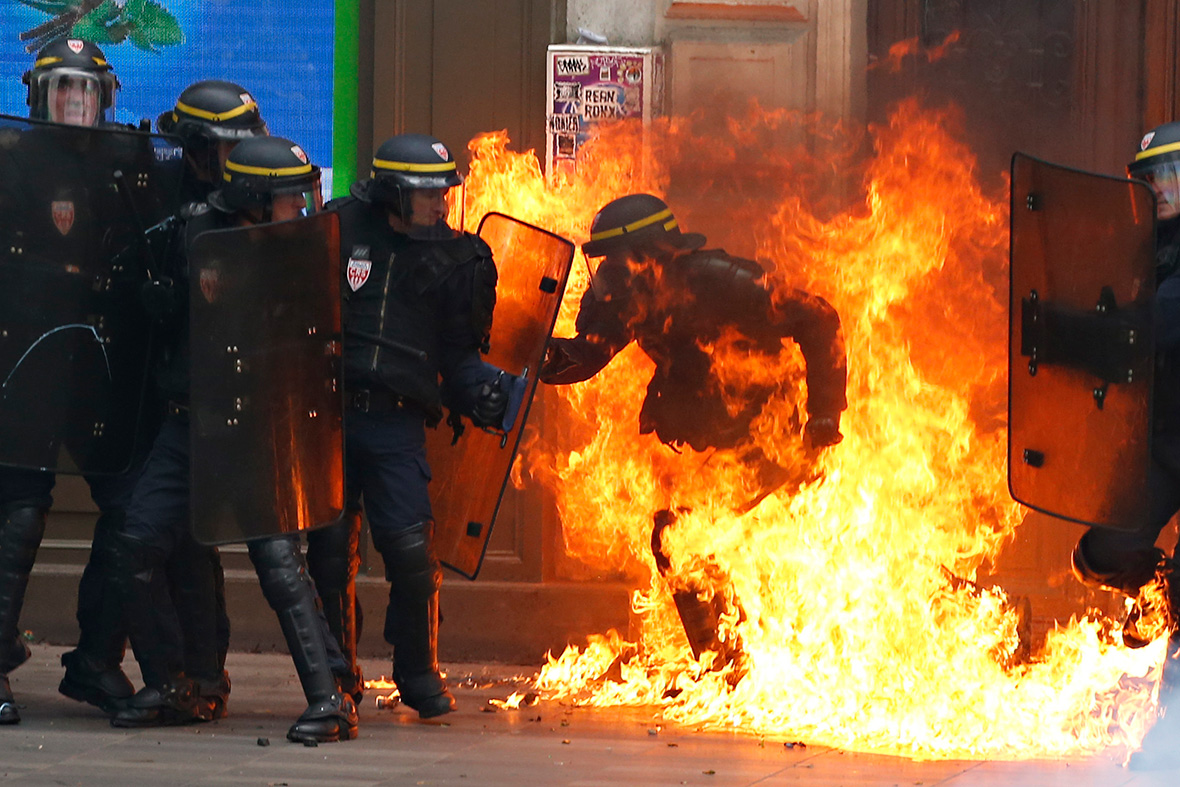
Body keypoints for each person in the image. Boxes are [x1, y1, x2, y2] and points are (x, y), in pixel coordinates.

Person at [107, 136, 358, 743]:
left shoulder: (299, 247)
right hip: (191, 418)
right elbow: (162, 323)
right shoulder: (192, 234)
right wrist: (163, 305)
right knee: (134, 545)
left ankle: (330, 700)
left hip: (260, 419)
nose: (300, 209)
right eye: (287, 199)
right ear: (251, 197)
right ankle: (172, 683)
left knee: (278, 563)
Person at [540, 193, 847, 673]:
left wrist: (825, 414)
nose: (607, 271)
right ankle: (729, 660)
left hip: (771, 435)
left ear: (648, 251)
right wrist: (526, 351)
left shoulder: (719, 280)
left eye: (615, 258)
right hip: (717, 445)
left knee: (678, 536)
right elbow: (587, 355)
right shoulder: (631, 298)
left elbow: (820, 317)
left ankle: (727, 665)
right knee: (684, 539)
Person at [308, 133, 511, 718]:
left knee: (411, 551)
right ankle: (338, 677)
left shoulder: (460, 258)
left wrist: (487, 394)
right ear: (395, 191)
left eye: (445, 192)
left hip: (397, 424)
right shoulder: (336, 229)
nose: (441, 205)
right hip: (331, 418)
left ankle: (418, 671)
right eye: (427, 194)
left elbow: (460, 355)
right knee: (327, 553)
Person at [0, 37, 139, 726]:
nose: (75, 100)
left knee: (130, 504)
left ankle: (96, 660)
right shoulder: (11, 161)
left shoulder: (129, 165)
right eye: (62, 89)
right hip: (25, 355)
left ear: (104, 98)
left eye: (85, 89)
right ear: (39, 96)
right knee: (19, 510)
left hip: (99, 361)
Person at [1068, 121, 1180, 770]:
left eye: (1170, 172)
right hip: (1163, 446)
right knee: (1100, 553)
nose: (1158, 186)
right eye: (1148, 176)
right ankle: (1163, 590)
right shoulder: (1143, 249)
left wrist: (1093, 330)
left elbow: (1160, 323)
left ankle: (1165, 757)